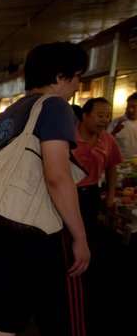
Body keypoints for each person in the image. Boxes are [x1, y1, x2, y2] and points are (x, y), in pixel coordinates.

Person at [0, 41, 90, 336]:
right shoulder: (55, 108)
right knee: (68, 331)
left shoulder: (6, 116)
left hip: (5, 232)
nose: (77, 86)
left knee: (5, 321)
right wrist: (80, 237)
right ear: (61, 75)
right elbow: (57, 177)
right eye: (77, 77)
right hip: (43, 235)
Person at [72, 97, 122, 234]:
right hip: (69, 193)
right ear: (85, 115)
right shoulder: (68, 137)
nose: (105, 120)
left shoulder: (108, 139)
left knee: (86, 233)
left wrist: (110, 196)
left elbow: (112, 167)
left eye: (108, 116)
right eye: (100, 116)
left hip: (92, 195)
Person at [108, 91, 137, 160]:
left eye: (134, 107)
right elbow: (106, 142)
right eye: (128, 106)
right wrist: (115, 131)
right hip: (119, 163)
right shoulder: (117, 122)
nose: (130, 110)